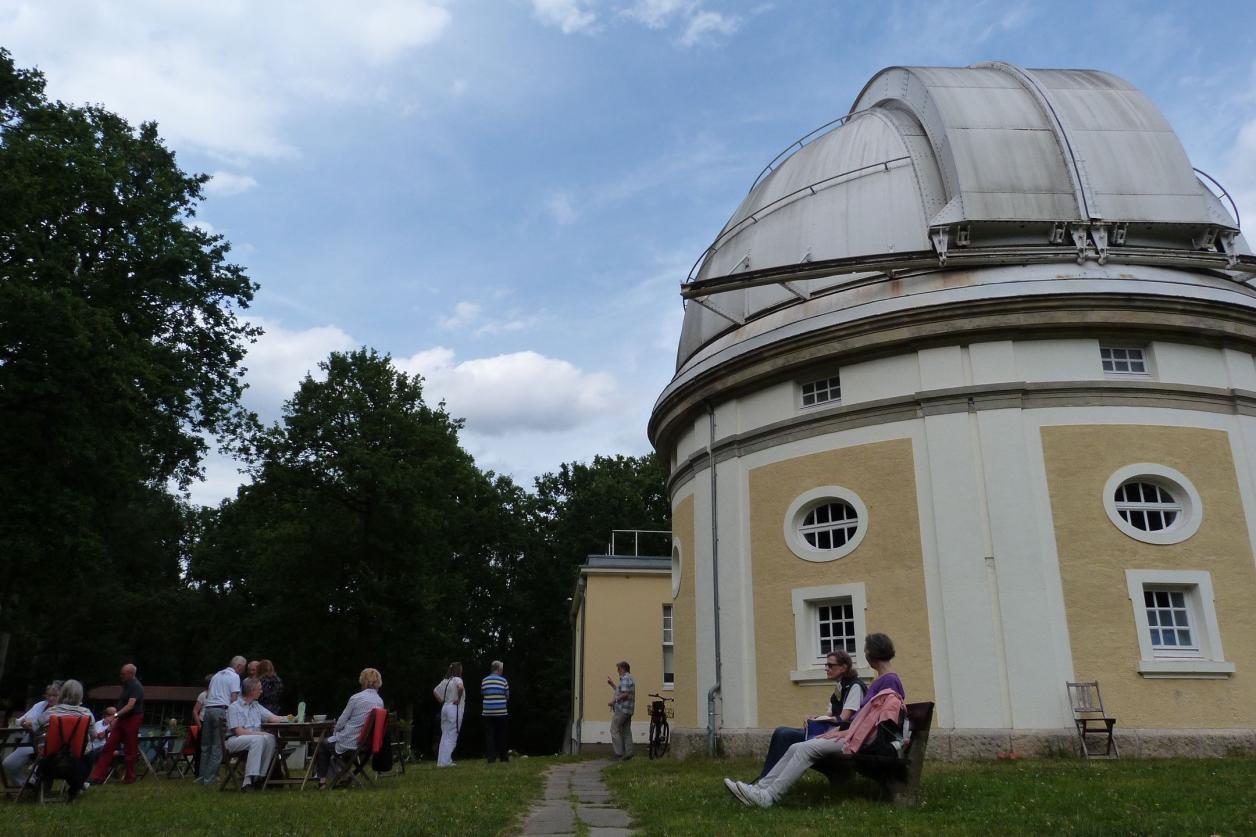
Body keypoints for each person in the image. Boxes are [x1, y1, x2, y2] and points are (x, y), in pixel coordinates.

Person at [724, 633, 905, 808]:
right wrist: (842, 732)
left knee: (806, 748)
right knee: (796, 746)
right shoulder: (882, 680)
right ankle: (759, 789)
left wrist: (845, 732)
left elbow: (878, 723)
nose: (865, 655)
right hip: (857, 735)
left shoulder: (889, 681)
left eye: (866, 651)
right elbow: (867, 719)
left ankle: (769, 797)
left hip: (864, 741)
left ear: (873, 653)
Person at [756, 650, 864, 780]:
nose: (826, 669)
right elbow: (829, 716)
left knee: (783, 735)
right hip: (830, 731)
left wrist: (819, 719)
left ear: (843, 667)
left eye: (830, 666)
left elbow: (843, 718)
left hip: (840, 736)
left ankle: (766, 780)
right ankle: (768, 778)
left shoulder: (855, 686)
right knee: (781, 731)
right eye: (826, 665)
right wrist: (813, 718)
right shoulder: (840, 686)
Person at [314, 668, 384, 789]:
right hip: (366, 743)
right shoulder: (379, 701)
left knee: (323, 744)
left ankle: (322, 782)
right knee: (337, 744)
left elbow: (341, 722)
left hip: (351, 741)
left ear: (363, 681)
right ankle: (345, 775)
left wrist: (335, 730)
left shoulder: (356, 698)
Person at [224, 677, 286, 791]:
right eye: (259, 689)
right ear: (252, 690)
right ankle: (248, 780)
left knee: (271, 738)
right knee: (259, 739)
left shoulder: (256, 705)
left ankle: (260, 777)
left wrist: (291, 719)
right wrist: (260, 733)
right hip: (234, 740)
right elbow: (238, 731)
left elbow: (272, 717)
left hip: (253, 739)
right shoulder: (234, 707)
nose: (261, 692)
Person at [37, 679, 95, 801]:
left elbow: (37, 726)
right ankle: (75, 788)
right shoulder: (87, 714)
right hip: (77, 765)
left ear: (62, 694)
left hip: (51, 762)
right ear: (80, 696)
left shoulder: (51, 712)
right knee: (89, 753)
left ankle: (39, 784)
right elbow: (94, 735)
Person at [87, 663, 144, 786]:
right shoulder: (126, 686)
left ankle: (130, 777)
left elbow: (130, 705)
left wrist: (114, 716)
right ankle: (97, 776)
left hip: (132, 719)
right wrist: (116, 720)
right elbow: (122, 703)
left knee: (130, 749)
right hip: (122, 720)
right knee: (108, 746)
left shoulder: (136, 687)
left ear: (130, 674)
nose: (121, 676)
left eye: (123, 674)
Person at [2, 681, 61, 788]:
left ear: (60, 696)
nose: (51, 698)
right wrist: (23, 723)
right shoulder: (39, 705)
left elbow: (48, 728)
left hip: (46, 745)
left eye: (54, 695)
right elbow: (20, 721)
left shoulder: (61, 710)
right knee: (8, 764)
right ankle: (25, 785)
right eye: (49, 695)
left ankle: (33, 786)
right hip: (29, 741)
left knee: (38, 766)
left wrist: (32, 725)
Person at [198, 655, 245, 785]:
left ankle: (201, 777)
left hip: (208, 710)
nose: (242, 671)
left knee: (206, 746)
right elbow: (234, 698)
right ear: (239, 666)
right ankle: (210, 779)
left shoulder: (217, 675)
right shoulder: (235, 677)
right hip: (221, 711)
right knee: (217, 746)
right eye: (243, 668)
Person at [433, 662, 464, 767]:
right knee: (452, 734)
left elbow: (435, 691)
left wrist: (442, 701)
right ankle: (445, 761)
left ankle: (441, 761)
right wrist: (458, 699)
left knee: (445, 734)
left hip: (445, 707)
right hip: (453, 708)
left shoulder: (445, 681)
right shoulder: (457, 679)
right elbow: (460, 688)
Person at [480, 661, 510, 764]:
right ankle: (503, 758)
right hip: (501, 712)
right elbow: (507, 696)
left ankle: (491, 758)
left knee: (490, 736)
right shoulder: (503, 681)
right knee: (502, 735)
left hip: (487, 713)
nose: (502, 670)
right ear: (498, 669)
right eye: (501, 668)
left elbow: (483, 693)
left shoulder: (484, 680)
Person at [606, 661, 635, 761]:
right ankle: (629, 753)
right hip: (628, 710)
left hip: (622, 710)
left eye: (618, 669)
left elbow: (625, 694)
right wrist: (612, 684)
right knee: (626, 731)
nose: (617, 671)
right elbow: (620, 691)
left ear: (623, 669)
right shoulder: (629, 678)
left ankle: (619, 754)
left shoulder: (625, 678)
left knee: (614, 729)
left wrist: (614, 701)